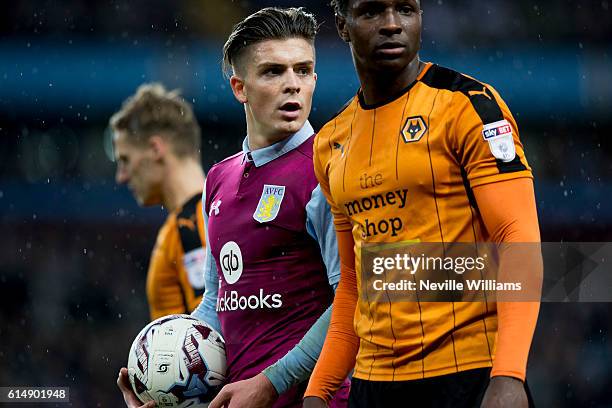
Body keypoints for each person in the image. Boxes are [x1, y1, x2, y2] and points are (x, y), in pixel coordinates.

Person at [303, 1, 542, 407]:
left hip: (469, 375)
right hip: (372, 385)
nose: (393, 24)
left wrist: (509, 375)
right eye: (373, 12)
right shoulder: (330, 142)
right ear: (342, 24)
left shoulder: (469, 105)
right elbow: (354, 284)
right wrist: (318, 391)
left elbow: (516, 237)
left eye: (406, 10)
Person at [117, 8, 349, 408]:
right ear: (240, 87)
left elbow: (352, 300)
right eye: (273, 72)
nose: (292, 85)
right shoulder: (218, 180)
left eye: (303, 69)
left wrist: (271, 382)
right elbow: (215, 300)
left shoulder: (328, 170)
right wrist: (158, 376)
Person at [111, 84, 207, 321]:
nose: (121, 176)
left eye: (125, 160)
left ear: (155, 149)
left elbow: (212, 337)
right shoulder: (218, 212)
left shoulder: (192, 225)